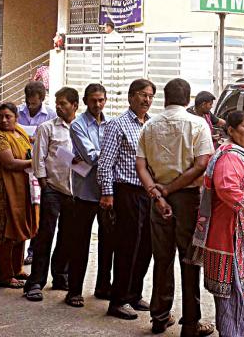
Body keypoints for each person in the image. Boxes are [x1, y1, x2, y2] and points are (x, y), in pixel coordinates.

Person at [188, 111, 244, 337]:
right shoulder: (230, 157)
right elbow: (228, 189)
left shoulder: (243, 154)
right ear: (230, 130)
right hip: (234, 241)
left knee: (240, 301)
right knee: (234, 300)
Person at [137, 78, 215, 336]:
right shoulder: (197, 124)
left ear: (165, 98)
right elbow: (202, 163)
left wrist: (158, 195)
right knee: (189, 260)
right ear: (188, 98)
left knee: (162, 258)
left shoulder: (150, 125)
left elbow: (141, 165)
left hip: (157, 196)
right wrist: (170, 191)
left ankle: (159, 317)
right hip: (187, 198)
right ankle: (191, 323)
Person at [98, 79, 154, 320]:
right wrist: (107, 193)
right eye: (142, 95)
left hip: (147, 192)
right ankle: (118, 300)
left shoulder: (152, 125)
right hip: (125, 192)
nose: (147, 99)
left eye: (150, 95)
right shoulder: (117, 125)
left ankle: (134, 294)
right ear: (131, 97)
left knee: (146, 247)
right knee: (127, 247)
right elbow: (105, 163)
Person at [23, 87, 78, 302]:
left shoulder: (81, 127)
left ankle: (60, 276)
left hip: (74, 192)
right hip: (52, 189)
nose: (59, 107)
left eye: (63, 103)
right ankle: (36, 281)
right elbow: (39, 158)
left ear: (74, 105)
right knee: (45, 235)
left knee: (68, 236)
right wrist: (44, 183)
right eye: (57, 103)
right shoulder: (47, 128)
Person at [67, 83, 112, 305]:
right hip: (85, 193)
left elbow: (98, 156)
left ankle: (104, 286)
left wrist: (107, 155)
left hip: (108, 192)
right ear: (85, 101)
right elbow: (91, 155)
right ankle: (74, 291)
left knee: (108, 243)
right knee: (80, 243)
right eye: (93, 100)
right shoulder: (77, 125)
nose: (97, 104)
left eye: (101, 100)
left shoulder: (111, 124)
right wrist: (111, 154)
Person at [0, 103, 37, 288]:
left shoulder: (20, 131)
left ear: (16, 117)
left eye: (8, 116)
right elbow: (9, 162)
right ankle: (5, 275)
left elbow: (29, 149)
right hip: (4, 188)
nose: (4, 120)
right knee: (5, 229)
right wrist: (36, 161)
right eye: (0, 116)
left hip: (23, 186)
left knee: (19, 226)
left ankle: (18, 268)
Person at [18, 81, 56, 265]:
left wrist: (38, 138)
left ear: (42, 99)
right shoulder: (18, 112)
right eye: (28, 102)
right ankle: (18, 248)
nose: (30, 106)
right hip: (20, 165)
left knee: (38, 209)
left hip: (41, 167)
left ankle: (33, 250)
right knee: (21, 207)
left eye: (34, 103)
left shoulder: (51, 115)